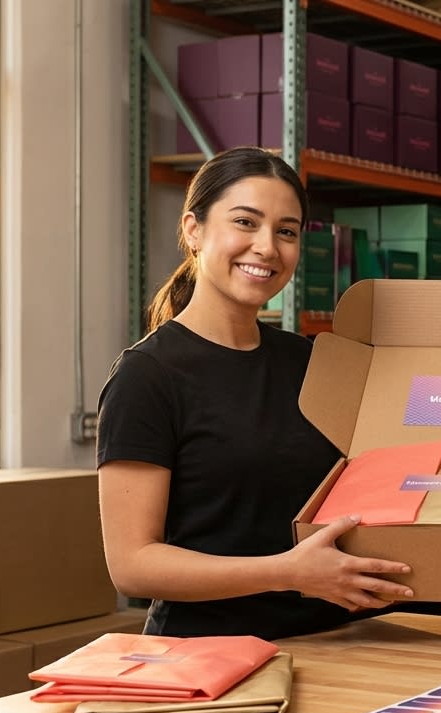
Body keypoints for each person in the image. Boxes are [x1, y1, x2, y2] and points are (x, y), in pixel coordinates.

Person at [96, 147, 413, 639]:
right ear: (193, 230)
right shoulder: (147, 376)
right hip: (212, 654)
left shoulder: (309, 360)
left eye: (286, 231)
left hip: (336, 639)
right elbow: (133, 564)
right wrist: (286, 571)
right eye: (245, 222)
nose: (267, 246)